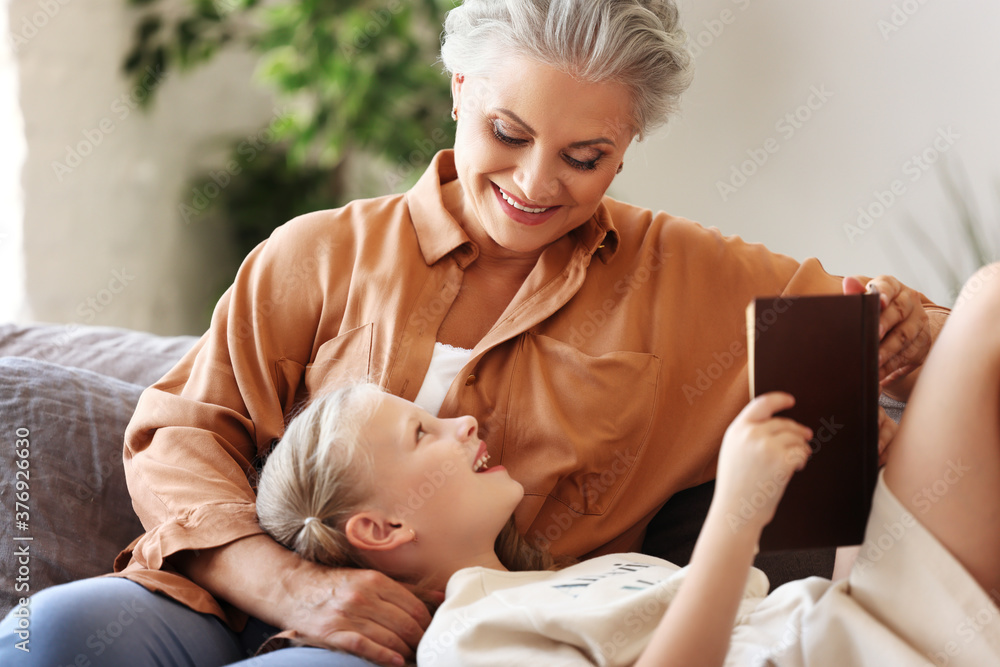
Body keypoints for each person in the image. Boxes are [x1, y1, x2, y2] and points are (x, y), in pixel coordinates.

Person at [0, 1, 949, 666]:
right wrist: (287, 586)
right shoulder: (317, 252)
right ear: (458, 91)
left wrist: (907, 325)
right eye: (508, 131)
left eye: (587, 157)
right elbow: (182, 431)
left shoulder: (691, 278)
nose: (537, 184)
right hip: (222, 596)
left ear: (628, 146)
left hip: (442, 643)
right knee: (59, 634)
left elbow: (933, 343)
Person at [253, 262, 1000, 666]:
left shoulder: (574, 576)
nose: (464, 421)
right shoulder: (464, 641)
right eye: (423, 433)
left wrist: (855, 454)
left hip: (858, 622)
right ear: (381, 526)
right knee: (989, 306)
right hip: (876, 639)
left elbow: (780, 624)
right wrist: (738, 512)